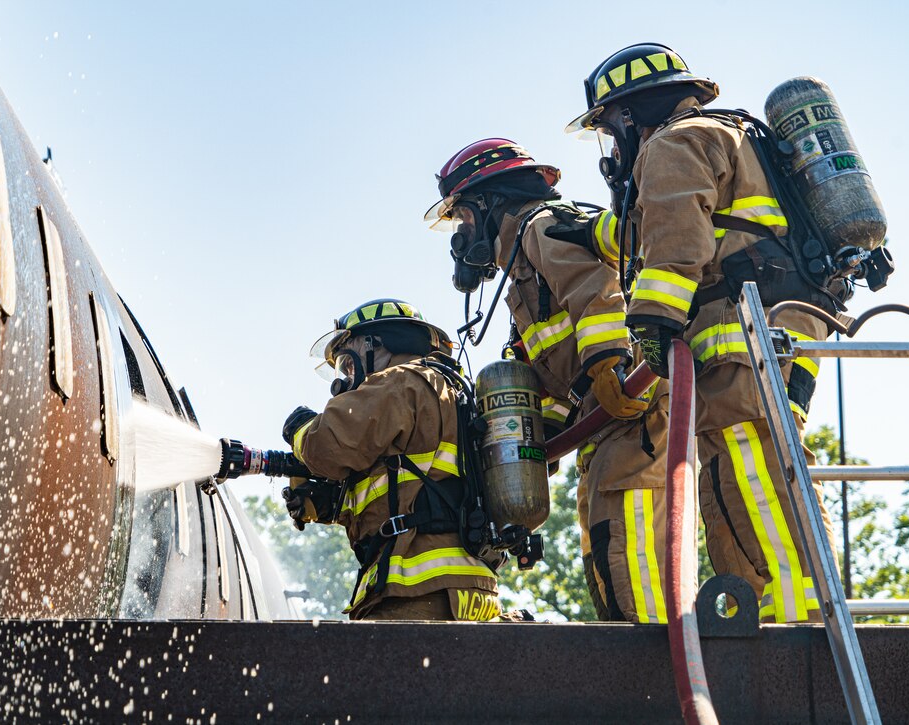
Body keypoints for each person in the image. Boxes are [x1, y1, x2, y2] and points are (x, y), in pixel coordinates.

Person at [568, 43, 835, 623]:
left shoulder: (673, 142)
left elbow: (676, 238)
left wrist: (652, 323)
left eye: (610, 128)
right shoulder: (735, 135)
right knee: (753, 468)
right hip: (790, 329)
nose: (613, 146)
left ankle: (795, 625)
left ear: (630, 114)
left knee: (747, 474)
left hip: (743, 335)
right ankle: (779, 613)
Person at [426, 139, 671, 623]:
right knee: (604, 547)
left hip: (630, 409)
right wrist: (530, 452)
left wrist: (609, 364)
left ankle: (653, 666)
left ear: (489, 203)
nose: (460, 236)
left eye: (463, 218)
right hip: (603, 426)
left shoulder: (540, 226)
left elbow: (595, 291)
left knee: (624, 548)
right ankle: (639, 658)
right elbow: (555, 382)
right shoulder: (521, 279)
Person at [280, 299, 501, 621]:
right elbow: (418, 488)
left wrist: (300, 429)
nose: (347, 377)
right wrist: (334, 506)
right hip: (468, 589)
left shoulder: (400, 381)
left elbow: (324, 448)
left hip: (417, 584)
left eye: (349, 363)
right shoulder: (450, 393)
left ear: (375, 344)